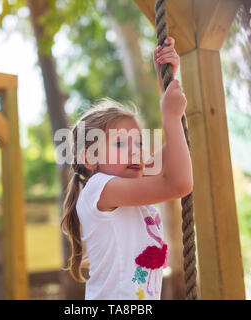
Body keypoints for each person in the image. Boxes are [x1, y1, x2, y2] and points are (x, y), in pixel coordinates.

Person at [61, 37, 193, 300]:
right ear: (90, 159)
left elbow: (178, 145)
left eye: (139, 142)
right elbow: (179, 184)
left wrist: (166, 86)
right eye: (121, 143)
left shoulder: (130, 179)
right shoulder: (100, 189)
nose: (135, 150)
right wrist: (169, 115)